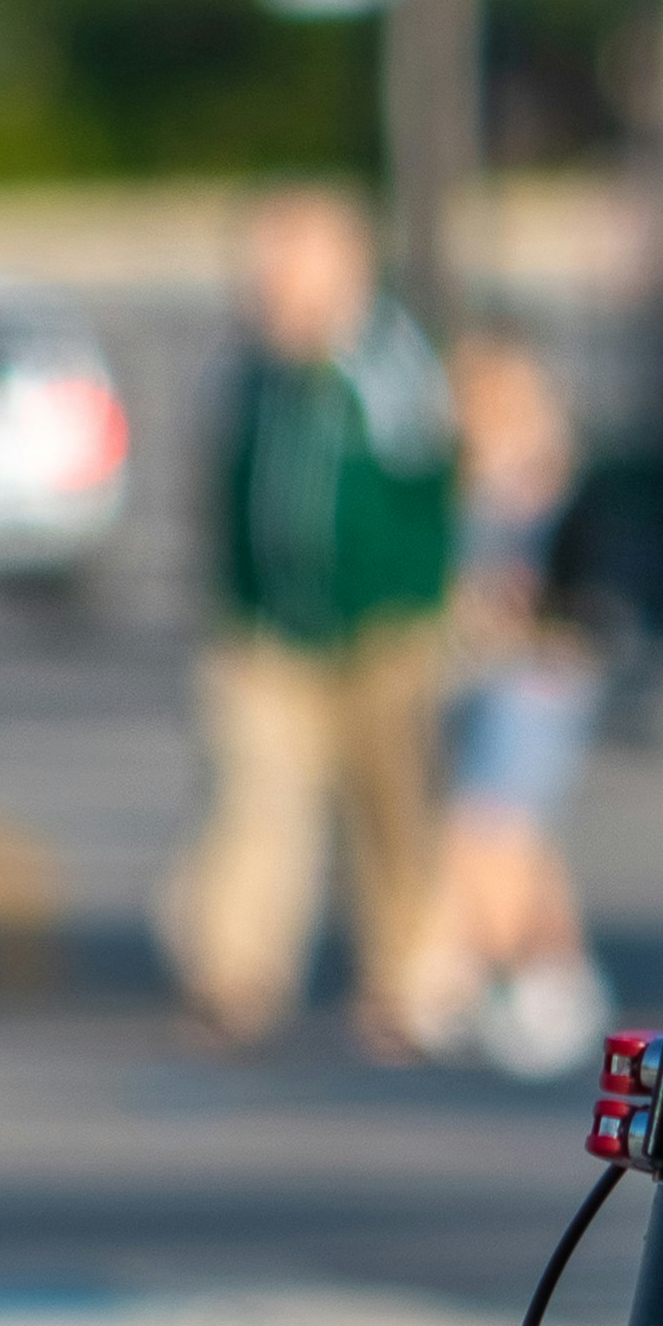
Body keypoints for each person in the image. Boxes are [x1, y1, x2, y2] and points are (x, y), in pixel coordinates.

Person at [160, 187, 462, 1057]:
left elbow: (441, 479)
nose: (270, 290)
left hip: (385, 625)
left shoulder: (390, 362)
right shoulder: (243, 372)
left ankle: (407, 982)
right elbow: (212, 482)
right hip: (266, 626)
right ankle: (234, 975)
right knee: (250, 800)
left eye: (289, 269)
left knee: (394, 809)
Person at [426, 324, 618, 1079]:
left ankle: (488, 971)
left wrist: (528, 618)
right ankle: (549, 973)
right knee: (520, 837)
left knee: (488, 827)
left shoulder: (549, 475)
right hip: (488, 673)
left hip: (538, 676)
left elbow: (580, 588)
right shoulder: (467, 477)